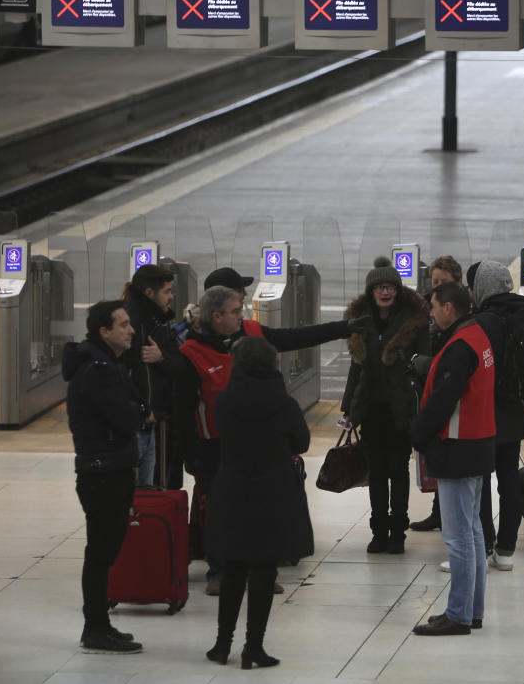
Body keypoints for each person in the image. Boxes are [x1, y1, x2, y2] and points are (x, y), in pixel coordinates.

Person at [177, 282, 359, 594]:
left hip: (262, 448)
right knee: (221, 512)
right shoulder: (191, 353)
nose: (241, 316)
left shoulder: (251, 332)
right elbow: (183, 410)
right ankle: (220, 572)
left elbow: (295, 337)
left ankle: (261, 571)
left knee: (260, 509)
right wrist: (192, 454)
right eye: (234, 311)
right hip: (217, 448)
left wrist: (345, 328)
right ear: (216, 316)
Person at [204, 336, 313, 669]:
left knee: (234, 567)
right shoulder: (285, 405)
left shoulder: (225, 402)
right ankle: (254, 648)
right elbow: (302, 442)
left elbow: (218, 431)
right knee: (264, 571)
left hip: (233, 490)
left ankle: (222, 645)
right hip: (273, 493)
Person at [410, 282, 496, 635]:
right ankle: (471, 609)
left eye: (433, 306)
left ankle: (459, 615)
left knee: (459, 537)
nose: (431, 312)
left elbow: (443, 400)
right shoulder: (479, 335)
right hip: (478, 442)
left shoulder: (460, 346)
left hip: (458, 445)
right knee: (473, 532)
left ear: (449, 308)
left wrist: (417, 436)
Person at [64, 300, 145, 654]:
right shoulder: (99, 369)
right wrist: (138, 410)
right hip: (103, 472)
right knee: (100, 552)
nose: (131, 330)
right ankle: (95, 627)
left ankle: (99, 623)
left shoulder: (107, 364)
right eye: (123, 325)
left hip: (107, 468)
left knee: (104, 550)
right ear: (104, 332)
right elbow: (129, 417)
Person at [341, 257, 431, 554]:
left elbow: (426, 363)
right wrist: (348, 409)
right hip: (372, 408)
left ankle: (398, 531)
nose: (385, 292)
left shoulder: (413, 321)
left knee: (399, 470)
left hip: (401, 407)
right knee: (376, 472)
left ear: (398, 289)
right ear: (371, 291)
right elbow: (356, 368)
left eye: (390, 286)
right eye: (379, 287)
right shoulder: (361, 321)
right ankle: (378, 529)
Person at [472, 260, 524, 570]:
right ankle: (506, 550)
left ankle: (482, 545)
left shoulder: (483, 322)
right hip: (516, 411)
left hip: (487, 411)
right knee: (509, 480)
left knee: (481, 481)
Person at [410, 255, 464, 533]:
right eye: (434, 282)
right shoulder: (426, 308)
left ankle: (447, 514)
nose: (437, 287)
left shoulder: (462, 315)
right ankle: (437, 510)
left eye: (443, 282)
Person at [122, 264, 186, 488]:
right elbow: (136, 374)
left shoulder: (157, 319)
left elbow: (177, 361)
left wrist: (163, 358)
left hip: (155, 417)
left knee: (155, 485)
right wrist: (147, 411)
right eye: (167, 291)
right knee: (149, 488)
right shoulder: (137, 323)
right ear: (150, 293)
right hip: (149, 420)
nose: (171, 296)